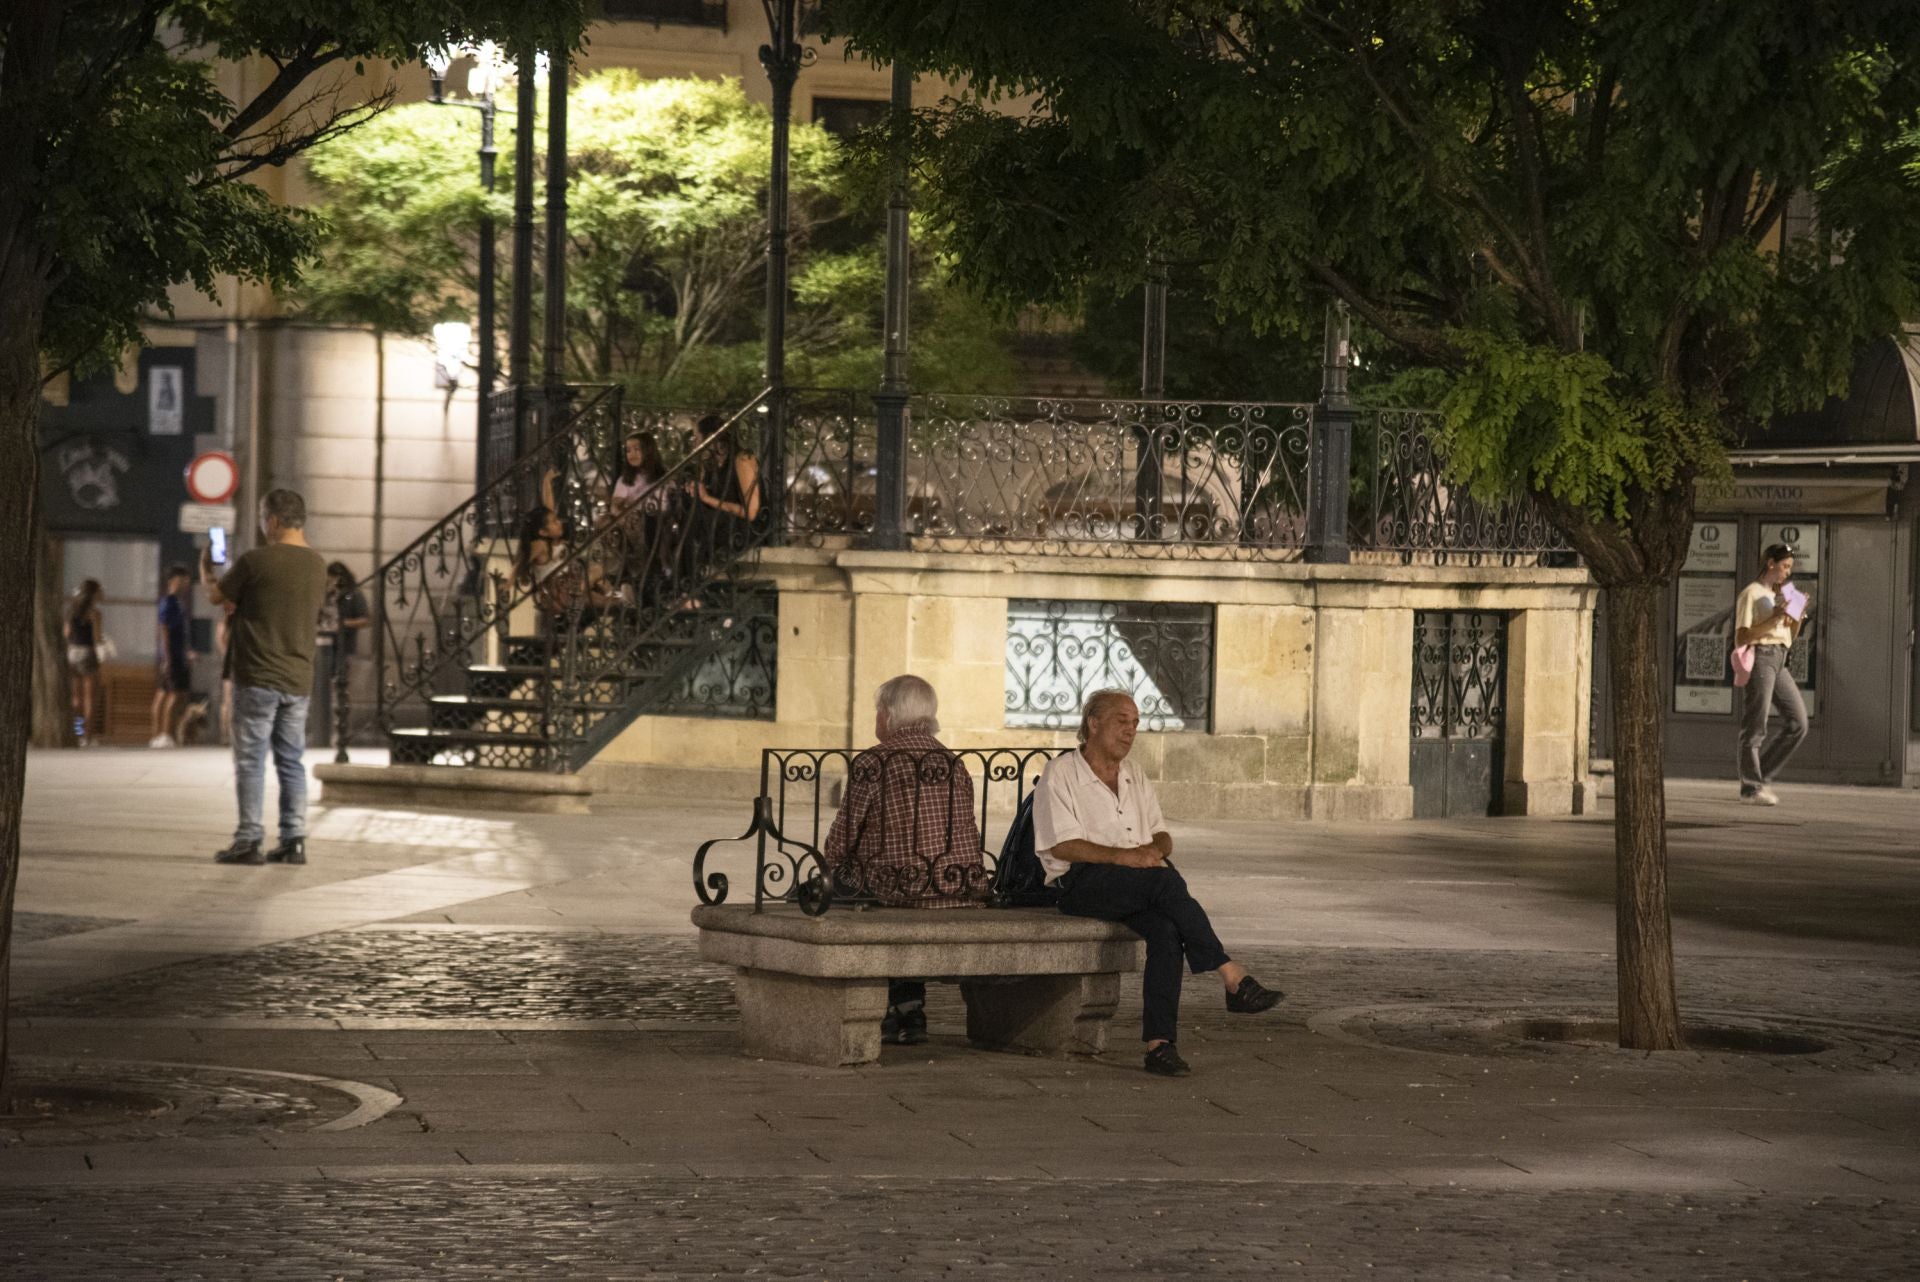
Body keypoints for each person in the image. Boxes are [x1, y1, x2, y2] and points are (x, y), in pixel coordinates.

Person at [1034, 689, 1284, 1077]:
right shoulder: (1062, 772)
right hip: (1082, 882)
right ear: (1093, 724)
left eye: (1135, 723)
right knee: (1164, 882)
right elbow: (1061, 845)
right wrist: (1124, 857)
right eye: (1121, 721)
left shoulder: (1133, 774)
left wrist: (1153, 850)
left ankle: (1160, 1045)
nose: (1130, 730)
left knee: (1166, 931)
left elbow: (1162, 835)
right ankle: (1230, 973)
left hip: (1138, 880)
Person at [823, 675, 984, 1046]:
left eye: (877, 711)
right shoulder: (953, 763)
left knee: (827, 894)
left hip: (898, 888)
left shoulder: (875, 761)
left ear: (887, 713)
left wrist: (831, 865)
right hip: (957, 887)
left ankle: (889, 1008)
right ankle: (909, 1009)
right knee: (890, 893)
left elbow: (842, 838)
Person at [201, 489, 328, 866]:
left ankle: (248, 838)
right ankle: (293, 839)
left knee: (250, 760)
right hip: (298, 677)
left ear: (272, 520)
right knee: (291, 761)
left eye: (262, 518)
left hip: (257, 673)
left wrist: (205, 569)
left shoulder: (255, 561)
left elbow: (215, 596)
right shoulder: (318, 565)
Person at [1734, 542, 1811, 806]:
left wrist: (1797, 615)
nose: (1788, 572)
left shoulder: (1780, 594)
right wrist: (1774, 617)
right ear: (1770, 564)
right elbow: (1742, 636)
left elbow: (1790, 635)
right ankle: (1750, 788)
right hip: (1762, 656)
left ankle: (1758, 776)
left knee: (1798, 723)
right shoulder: (1751, 593)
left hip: (1780, 657)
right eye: (1785, 566)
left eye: (1790, 567)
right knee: (1756, 724)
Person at [515, 468, 621, 623]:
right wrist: (508, 584)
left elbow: (549, 509)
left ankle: (618, 599)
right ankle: (619, 600)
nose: (559, 522)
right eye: (554, 522)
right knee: (594, 590)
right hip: (559, 590)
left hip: (570, 583)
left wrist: (547, 482)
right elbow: (519, 563)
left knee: (597, 573)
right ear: (543, 531)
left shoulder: (551, 540)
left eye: (556, 520)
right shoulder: (541, 546)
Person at [310, 561, 371, 749]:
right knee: (320, 688)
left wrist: (343, 624)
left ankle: (341, 732)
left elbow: (365, 619)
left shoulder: (352, 595)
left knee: (341, 689)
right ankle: (321, 730)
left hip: (344, 647)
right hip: (323, 645)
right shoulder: (325, 595)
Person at [150, 565, 194, 747]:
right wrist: (168, 658)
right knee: (173, 695)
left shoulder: (178, 602)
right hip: (171, 655)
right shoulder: (168, 602)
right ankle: (163, 734)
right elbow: (164, 630)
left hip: (177, 654)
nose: (186, 583)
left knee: (165, 693)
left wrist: (187, 651)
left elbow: (179, 632)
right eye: (184, 579)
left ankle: (159, 735)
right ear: (174, 580)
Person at [63, 579, 107, 746]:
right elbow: (97, 638)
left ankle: (77, 732)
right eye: (100, 591)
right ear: (93, 594)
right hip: (88, 653)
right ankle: (87, 737)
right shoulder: (94, 613)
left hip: (72, 653)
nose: (102, 594)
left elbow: (66, 634)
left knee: (76, 698)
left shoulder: (71, 611)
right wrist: (105, 645)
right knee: (90, 698)